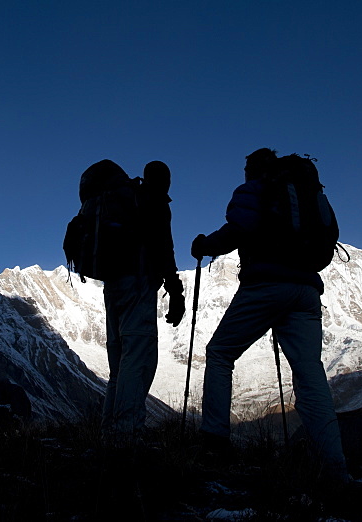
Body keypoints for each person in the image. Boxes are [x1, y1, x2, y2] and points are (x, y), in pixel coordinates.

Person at [191, 148, 349, 481]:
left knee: (220, 353)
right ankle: (335, 465)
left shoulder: (257, 189)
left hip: (265, 285)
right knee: (310, 372)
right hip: (306, 290)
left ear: (254, 169)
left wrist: (205, 245)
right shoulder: (306, 192)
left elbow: (237, 231)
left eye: (247, 166)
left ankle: (214, 442)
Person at [100, 160, 185, 436]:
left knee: (119, 364)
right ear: (163, 180)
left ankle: (108, 431)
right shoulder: (155, 202)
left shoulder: (123, 199)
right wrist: (175, 292)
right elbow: (164, 249)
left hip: (112, 287)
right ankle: (126, 433)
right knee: (138, 359)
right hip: (138, 284)